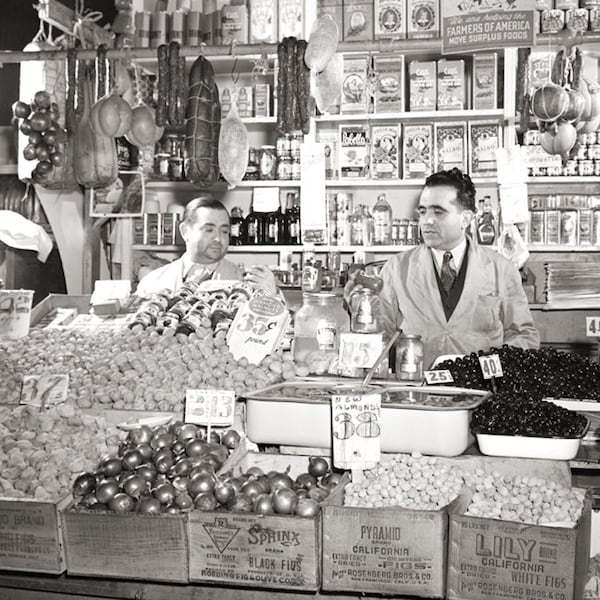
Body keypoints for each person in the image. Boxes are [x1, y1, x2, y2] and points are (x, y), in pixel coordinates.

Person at [371, 168, 540, 368]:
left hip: (481, 392)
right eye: (423, 212)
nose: (427, 221)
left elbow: (523, 335)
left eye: (438, 212)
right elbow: (379, 336)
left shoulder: (501, 270)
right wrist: (360, 306)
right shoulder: (396, 269)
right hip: (416, 392)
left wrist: (487, 369)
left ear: (466, 219)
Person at [135, 197, 277, 297]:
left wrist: (272, 297)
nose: (218, 239)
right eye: (209, 230)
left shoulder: (247, 282)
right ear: (185, 231)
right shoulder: (152, 282)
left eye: (224, 231)